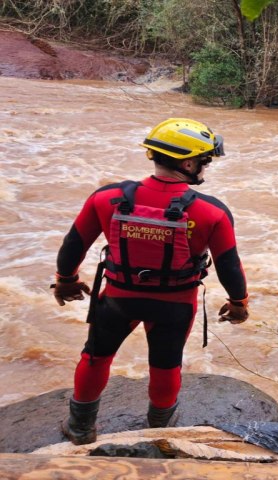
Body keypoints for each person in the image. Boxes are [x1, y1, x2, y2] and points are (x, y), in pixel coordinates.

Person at [51, 118, 249, 445]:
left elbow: (73, 245)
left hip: (116, 299)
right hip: (174, 306)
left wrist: (66, 281)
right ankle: (159, 431)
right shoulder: (212, 212)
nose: (204, 167)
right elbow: (229, 266)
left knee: (95, 357)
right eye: (203, 160)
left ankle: (80, 428)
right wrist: (239, 303)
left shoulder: (107, 197)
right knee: (166, 365)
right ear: (187, 162)